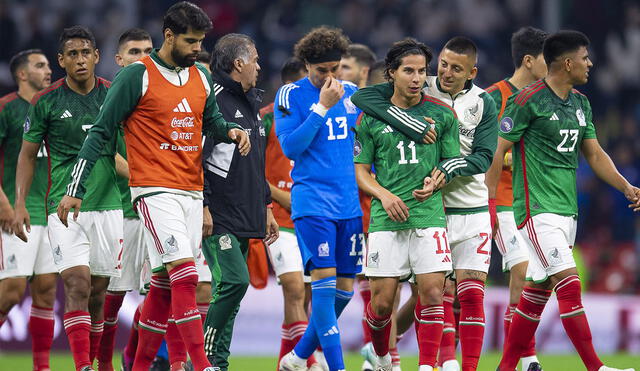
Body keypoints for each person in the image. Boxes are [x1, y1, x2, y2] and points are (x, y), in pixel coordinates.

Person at [57, 2, 249, 371]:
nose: (197, 49)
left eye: (200, 42)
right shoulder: (136, 77)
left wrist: (230, 131)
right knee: (187, 274)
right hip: (153, 190)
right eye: (191, 41)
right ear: (169, 36)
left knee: (162, 286)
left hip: (191, 190)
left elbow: (212, 120)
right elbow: (101, 131)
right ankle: (199, 363)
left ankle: (140, 365)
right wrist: (75, 188)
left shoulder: (201, 77)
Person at [489, 30, 639, 371]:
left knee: (536, 294)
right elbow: (499, 150)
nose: (590, 63)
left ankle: (506, 367)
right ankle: (596, 367)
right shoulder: (527, 100)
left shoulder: (580, 103)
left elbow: (595, 153)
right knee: (569, 282)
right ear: (568, 62)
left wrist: (625, 186)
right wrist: (489, 201)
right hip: (535, 210)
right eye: (585, 58)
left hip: (565, 211)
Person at [351, 36, 498, 371]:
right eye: (409, 71)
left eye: (421, 71)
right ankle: (383, 357)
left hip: (430, 213)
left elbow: (451, 160)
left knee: (433, 293)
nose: (418, 78)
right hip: (387, 217)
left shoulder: (443, 114)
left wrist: (436, 180)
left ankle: (428, 365)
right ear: (392, 73)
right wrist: (384, 195)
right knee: (382, 305)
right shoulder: (371, 117)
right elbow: (360, 172)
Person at [14, 26, 125, 371]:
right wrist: (19, 203)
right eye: (72, 54)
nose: (80, 59)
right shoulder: (46, 102)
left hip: (109, 206)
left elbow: (126, 153)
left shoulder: (113, 95)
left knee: (99, 291)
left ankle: (92, 358)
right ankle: (83, 366)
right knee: (77, 283)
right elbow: (27, 156)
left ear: (96, 56)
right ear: (61, 61)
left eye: (85, 53)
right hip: (62, 208)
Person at [277, 26, 363, 371]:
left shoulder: (355, 94)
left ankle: (297, 357)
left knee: (344, 292)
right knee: (325, 290)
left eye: (335, 69)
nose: (330, 77)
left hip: (349, 205)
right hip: (312, 203)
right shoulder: (290, 95)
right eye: (321, 71)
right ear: (306, 67)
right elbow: (291, 147)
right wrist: (322, 108)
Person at [200, 33, 278, 371]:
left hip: (247, 212)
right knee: (234, 282)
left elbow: (255, 163)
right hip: (219, 215)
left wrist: (266, 207)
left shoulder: (251, 102)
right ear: (238, 64)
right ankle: (202, 358)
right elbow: (195, 159)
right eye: (255, 60)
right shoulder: (211, 102)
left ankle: (218, 363)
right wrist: (202, 205)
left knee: (229, 297)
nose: (259, 66)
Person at [484, 26, 547, 371]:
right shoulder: (494, 97)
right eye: (545, 59)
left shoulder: (545, 98)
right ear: (528, 60)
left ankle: (520, 357)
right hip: (503, 201)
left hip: (535, 204)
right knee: (522, 270)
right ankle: (528, 358)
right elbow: (485, 152)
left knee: (533, 277)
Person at [260, 56, 322, 370]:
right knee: (295, 288)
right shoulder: (266, 119)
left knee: (306, 296)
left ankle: (286, 362)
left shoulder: (319, 118)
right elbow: (251, 172)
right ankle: (308, 360)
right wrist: (282, 197)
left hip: (311, 219)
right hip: (280, 222)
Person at [98, 27, 153, 371]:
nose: (143, 57)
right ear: (119, 60)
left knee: (159, 292)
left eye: (148, 50)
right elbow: (108, 151)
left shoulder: (160, 94)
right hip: (123, 210)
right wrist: (147, 180)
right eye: (135, 51)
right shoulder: (111, 97)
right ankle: (104, 363)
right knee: (113, 298)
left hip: (158, 206)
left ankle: (134, 360)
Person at [0, 48, 55, 371]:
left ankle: (42, 367)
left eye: (48, 64)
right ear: (22, 74)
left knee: (46, 291)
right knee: (11, 291)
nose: (48, 70)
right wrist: (5, 204)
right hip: (15, 212)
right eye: (40, 65)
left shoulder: (52, 108)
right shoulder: (6, 109)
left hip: (49, 214)